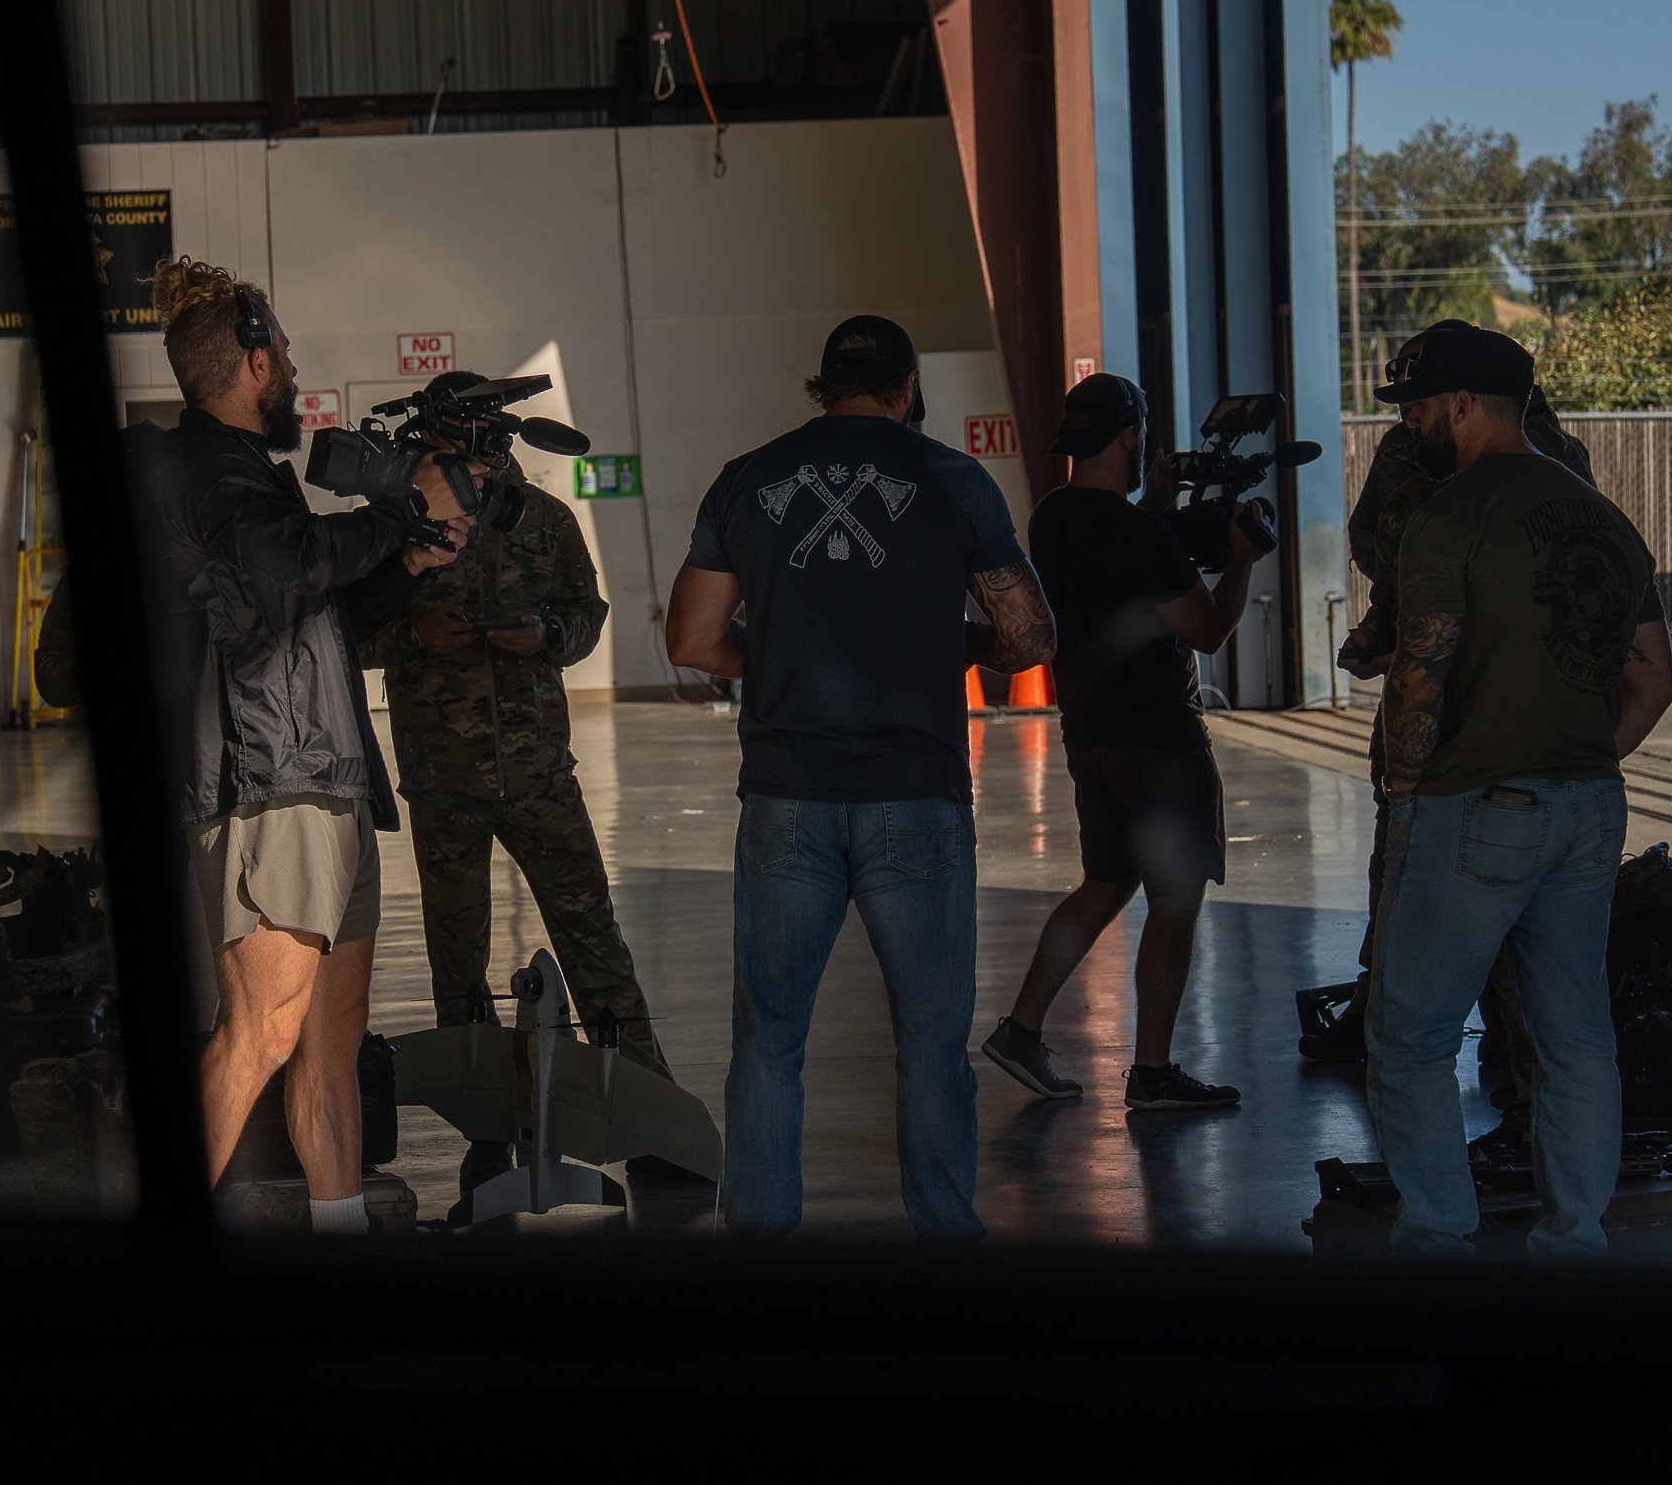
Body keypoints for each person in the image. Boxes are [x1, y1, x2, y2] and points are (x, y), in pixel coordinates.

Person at [665, 314, 1054, 1240]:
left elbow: (691, 639)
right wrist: (941, 646)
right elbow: (1031, 636)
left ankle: (760, 1250)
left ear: (822, 383)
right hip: (915, 797)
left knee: (769, 1041)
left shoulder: (748, 479)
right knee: (929, 1047)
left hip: (787, 798)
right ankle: (946, 1244)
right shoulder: (957, 479)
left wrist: (793, 651)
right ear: (909, 385)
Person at [145, 256, 474, 1232]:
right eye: (281, 351)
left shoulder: (256, 479)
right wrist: (394, 506)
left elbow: (328, 615)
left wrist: (411, 552)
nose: (291, 368)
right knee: (259, 1033)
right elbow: (293, 566)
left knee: (331, 1042)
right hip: (270, 783)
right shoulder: (204, 473)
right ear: (250, 362)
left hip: (327, 777)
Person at [1363, 323, 1672, 1257]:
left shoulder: (1450, 515)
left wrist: (1408, 791)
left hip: (1472, 807)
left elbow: (1420, 673)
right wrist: (1578, 758)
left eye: (1419, 406)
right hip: (1589, 809)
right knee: (1576, 1041)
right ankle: (1576, 1246)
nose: (1412, 423)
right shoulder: (1604, 517)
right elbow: (1656, 679)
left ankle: (1438, 1241)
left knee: (1411, 1037)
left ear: (1463, 406)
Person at [359, 379, 676, 1195]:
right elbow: (351, 629)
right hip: (441, 780)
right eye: (450, 455)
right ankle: (487, 1130)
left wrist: (550, 635)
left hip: (538, 770)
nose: (465, 471)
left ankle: (653, 1117)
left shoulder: (545, 521)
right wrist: (412, 631)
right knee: (455, 961)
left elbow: (588, 613)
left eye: (474, 455)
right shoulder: (398, 522)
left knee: (594, 938)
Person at [979, 374, 1267, 1110]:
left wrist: (1162, 508)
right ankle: (1154, 1072)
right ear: (1132, 436)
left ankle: (1021, 1027)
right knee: (1176, 899)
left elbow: (1110, 557)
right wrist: (1241, 559)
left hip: (1092, 735)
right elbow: (1207, 627)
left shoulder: (1052, 518)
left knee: (1107, 882)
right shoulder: (1140, 533)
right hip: (1160, 742)